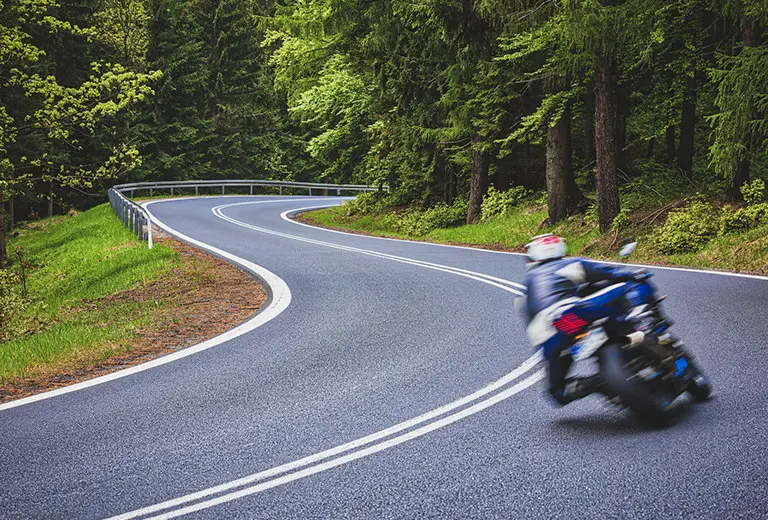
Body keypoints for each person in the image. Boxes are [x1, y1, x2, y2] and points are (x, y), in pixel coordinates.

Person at [523, 234, 662, 405]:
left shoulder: (524, 290)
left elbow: (531, 328)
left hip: (553, 337)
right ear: (560, 248)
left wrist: (550, 351)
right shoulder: (570, 264)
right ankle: (646, 322)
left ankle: (599, 384)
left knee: (556, 393)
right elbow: (610, 273)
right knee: (630, 285)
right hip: (573, 315)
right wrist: (634, 275)